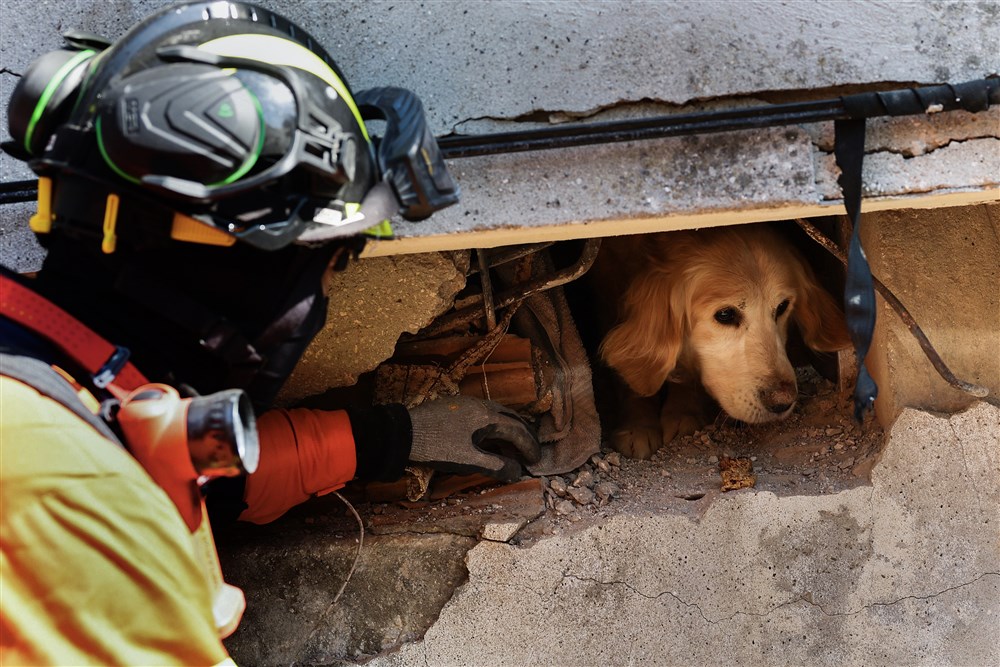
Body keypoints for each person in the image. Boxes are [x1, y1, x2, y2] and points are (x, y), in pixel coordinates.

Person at [0, 2, 540, 664]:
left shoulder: (47, 390)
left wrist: (391, 437)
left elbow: (207, 477)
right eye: (322, 270)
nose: (318, 309)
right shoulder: (73, 500)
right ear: (238, 270)